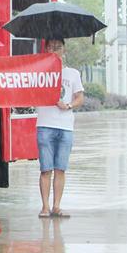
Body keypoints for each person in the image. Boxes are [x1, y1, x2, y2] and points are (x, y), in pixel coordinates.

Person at [35, 38, 83, 218]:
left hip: (65, 127)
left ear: (64, 50)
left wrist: (69, 105)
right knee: (46, 168)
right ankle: (45, 207)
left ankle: (56, 206)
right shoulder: (40, 71)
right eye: (51, 47)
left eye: (58, 47)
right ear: (46, 49)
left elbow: (79, 97)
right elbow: (32, 93)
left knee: (60, 169)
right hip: (45, 125)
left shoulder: (73, 74)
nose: (55, 50)